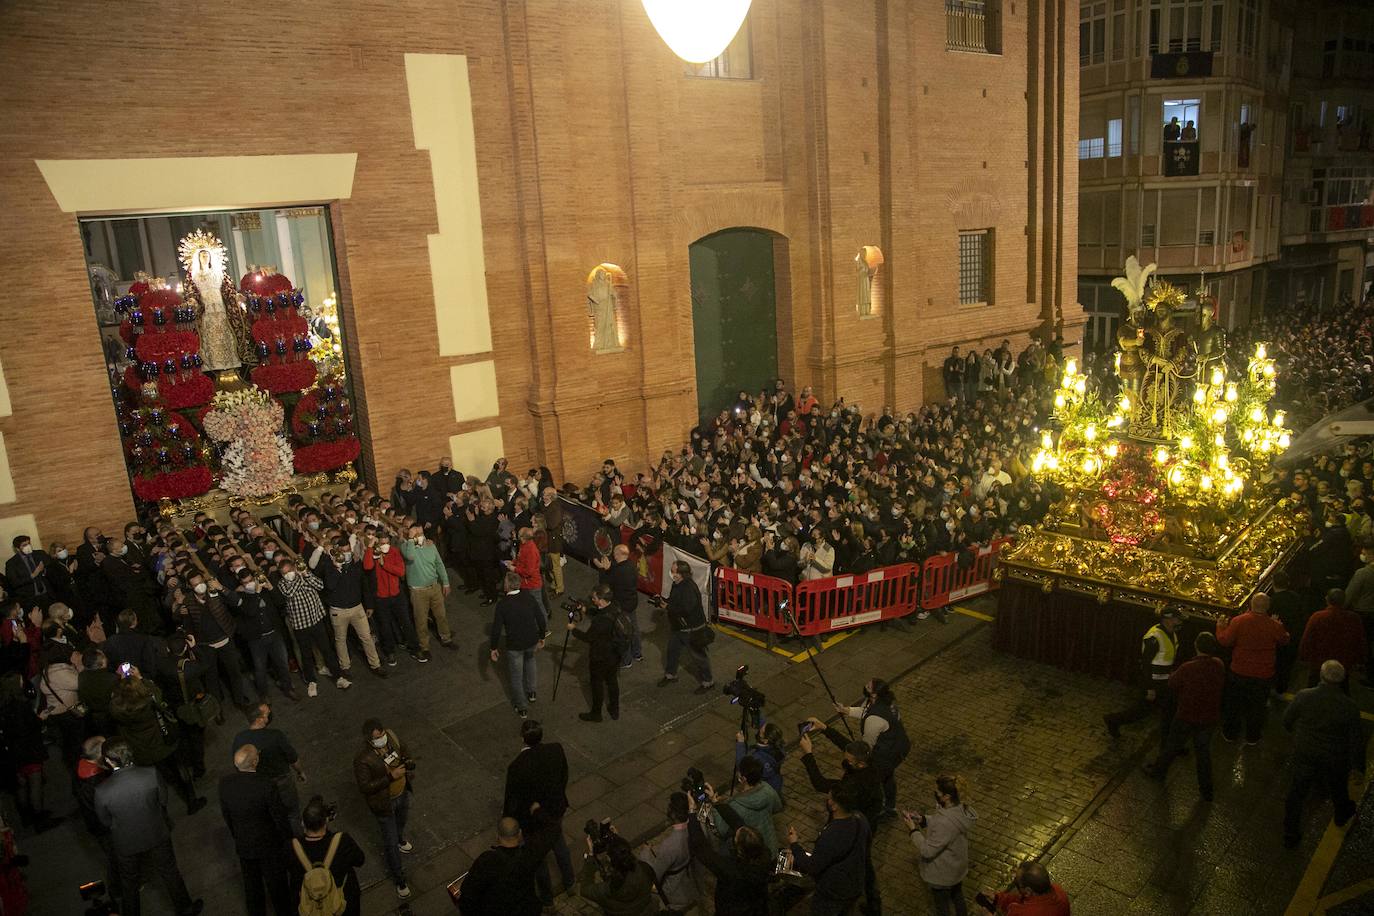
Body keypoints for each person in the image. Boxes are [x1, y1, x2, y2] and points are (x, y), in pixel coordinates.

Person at [93, 737, 205, 916]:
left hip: (126, 842)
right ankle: (186, 909)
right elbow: (162, 800)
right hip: (156, 832)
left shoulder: (102, 791)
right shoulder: (151, 774)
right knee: (169, 872)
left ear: (108, 760)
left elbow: (104, 821)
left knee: (129, 883)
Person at [1282, 660, 1366, 848]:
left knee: (1297, 793)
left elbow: (1287, 720)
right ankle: (1342, 814)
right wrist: (1358, 768)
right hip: (1334, 756)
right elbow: (1356, 740)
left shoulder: (1304, 696)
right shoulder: (1349, 706)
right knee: (1338, 788)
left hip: (1305, 752)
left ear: (1321, 676)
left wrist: (1294, 733)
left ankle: (1290, 833)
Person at [108, 668, 207, 815]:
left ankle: (162, 810)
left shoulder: (117, 710)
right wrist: (140, 678)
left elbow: (114, 701)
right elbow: (158, 695)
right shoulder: (149, 699)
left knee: (157, 777)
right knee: (179, 768)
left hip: (142, 748)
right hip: (164, 741)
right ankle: (192, 800)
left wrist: (123, 685)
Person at [1143, 632, 1226, 801]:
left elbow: (1172, 683)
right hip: (1209, 716)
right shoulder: (1218, 664)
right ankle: (1206, 789)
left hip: (1187, 714)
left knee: (1172, 745)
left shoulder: (1188, 667)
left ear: (1196, 646)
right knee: (1203, 753)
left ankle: (1158, 771)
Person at [503, 719, 575, 905]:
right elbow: (563, 776)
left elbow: (512, 798)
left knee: (538, 859)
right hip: (555, 809)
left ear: (522, 739)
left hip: (531, 820)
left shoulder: (517, 766)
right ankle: (570, 883)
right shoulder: (556, 749)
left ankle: (547, 898)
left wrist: (509, 821)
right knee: (559, 845)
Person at [219, 744, 295, 916]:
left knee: (252, 887)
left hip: (244, 844)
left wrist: (237, 836)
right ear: (255, 762)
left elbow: (227, 816)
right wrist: (288, 840)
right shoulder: (265, 785)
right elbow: (279, 817)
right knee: (277, 887)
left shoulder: (225, 784)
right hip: (268, 846)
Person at [785, 783, 871, 916]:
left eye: (830, 798)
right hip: (855, 882)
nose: (827, 800)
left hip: (834, 890)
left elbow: (812, 866)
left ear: (835, 806)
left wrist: (795, 845)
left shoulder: (832, 834)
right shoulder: (861, 819)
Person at [354, 718, 416, 898]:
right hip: (384, 803)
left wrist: (409, 761)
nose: (381, 739)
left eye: (381, 735)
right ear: (368, 740)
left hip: (402, 793)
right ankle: (399, 878)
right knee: (389, 843)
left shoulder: (392, 737)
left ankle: (400, 838)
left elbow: (404, 749)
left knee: (402, 821)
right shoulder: (362, 759)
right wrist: (390, 777)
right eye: (377, 738)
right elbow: (365, 787)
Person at [1217, 592, 1290, 744]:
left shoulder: (1239, 621)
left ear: (1250, 604)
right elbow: (1284, 640)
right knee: (1257, 707)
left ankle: (1230, 734)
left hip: (1239, 671)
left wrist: (1220, 628)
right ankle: (1252, 736)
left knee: (1234, 705)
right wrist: (1279, 625)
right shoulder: (1273, 625)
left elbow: (1225, 640)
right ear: (1268, 607)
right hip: (1263, 674)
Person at [686, 788, 771, 916]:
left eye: (735, 839)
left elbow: (702, 850)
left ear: (740, 849)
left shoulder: (731, 869)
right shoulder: (763, 853)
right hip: (756, 905)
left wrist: (692, 813)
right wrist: (717, 803)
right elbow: (738, 824)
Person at [312, 536, 387, 680]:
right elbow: (330, 585)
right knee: (340, 640)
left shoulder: (355, 563)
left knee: (366, 637)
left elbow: (363, 585)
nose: (346, 554)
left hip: (357, 607)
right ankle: (344, 667)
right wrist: (336, 567)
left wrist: (369, 604)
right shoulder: (328, 565)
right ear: (336, 551)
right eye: (343, 551)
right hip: (338, 611)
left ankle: (375, 664)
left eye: (348, 551)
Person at [1103, 609, 1181, 748]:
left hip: (1165, 681)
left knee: (1170, 711)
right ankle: (1113, 720)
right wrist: (1149, 688)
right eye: (1176, 618)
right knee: (1141, 712)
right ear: (1168, 620)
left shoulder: (1171, 633)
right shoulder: (1154, 637)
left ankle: (1169, 744)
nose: (1179, 621)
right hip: (1154, 682)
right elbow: (1145, 664)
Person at [276, 557, 352, 697]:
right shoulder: (282, 584)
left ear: (294, 568)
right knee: (306, 654)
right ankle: (311, 681)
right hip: (300, 624)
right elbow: (290, 593)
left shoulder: (306, 575)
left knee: (326, 650)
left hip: (316, 619)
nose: (288, 574)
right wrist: (300, 577)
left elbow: (320, 585)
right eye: (284, 573)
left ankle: (338, 677)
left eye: (289, 571)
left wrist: (306, 574)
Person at [834, 678, 910, 816]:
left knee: (875, 778)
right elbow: (865, 711)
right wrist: (846, 710)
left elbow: (866, 747)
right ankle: (890, 806)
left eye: (868, 686)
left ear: (874, 694)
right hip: (897, 745)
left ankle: (880, 809)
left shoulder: (874, 720)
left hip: (888, 753)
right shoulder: (883, 702)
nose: (865, 685)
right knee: (887, 776)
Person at [904, 774, 976, 916]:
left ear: (946, 796)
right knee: (957, 895)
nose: (935, 794)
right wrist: (923, 819)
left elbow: (927, 850)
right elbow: (942, 823)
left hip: (943, 873)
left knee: (942, 906)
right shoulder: (958, 809)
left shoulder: (946, 821)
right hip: (956, 867)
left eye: (937, 792)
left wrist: (913, 830)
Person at [460, 815, 560, 916]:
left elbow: (468, 895)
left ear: (497, 836)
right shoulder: (529, 855)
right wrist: (538, 811)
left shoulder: (487, 860)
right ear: (520, 833)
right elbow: (554, 829)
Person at [288, 795, 366, 916]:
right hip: (342, 904)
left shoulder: (293, 847)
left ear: (303, 823)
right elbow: (360, 860)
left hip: (310, 908)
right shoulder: (342, 841)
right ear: (326, 821)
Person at [231, 568, 299, 702]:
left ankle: (288, 688)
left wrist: (271, 587)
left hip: (274, 634)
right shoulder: (241, 597)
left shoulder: (265, 591)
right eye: (246, 583)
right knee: (260, 669)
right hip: (257, 639)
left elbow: (280, 602)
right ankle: (264, 695)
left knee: (282, 664)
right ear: (241, 584)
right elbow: (250, 612)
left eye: (251, 580)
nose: (249, 584)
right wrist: (255, 593)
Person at [797, 724, 885, 827]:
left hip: (856, 819)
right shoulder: (868, 760)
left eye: (849, 761)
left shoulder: (853, 785)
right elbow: (846, 745)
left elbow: (820, 783)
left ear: (860, 764)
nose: (846, 762)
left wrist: (808, 753)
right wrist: (824, 728)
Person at [233, 701, 307, 820]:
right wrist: (300, 772)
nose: (269, 715)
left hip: (258, 786)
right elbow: (293, 759)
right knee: (292, 813)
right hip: (281, 783)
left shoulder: (239, 739)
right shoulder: (275, 736)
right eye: (267, 714)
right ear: (259, 719)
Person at [490, 571, 547, 719]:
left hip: (515, 645)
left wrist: (493, 647)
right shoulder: (529, 597)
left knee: (516, 677)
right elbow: (541, 618)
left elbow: (496, 628)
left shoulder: (503, 605)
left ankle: (522, 707)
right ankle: (532, 692)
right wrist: (541, 637)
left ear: (507, 586)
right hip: (531, 640)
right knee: (530, 662)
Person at [361, 529, 421, 665]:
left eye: (387, 542)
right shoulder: (373, 553)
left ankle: (415, 648)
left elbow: (400, 571)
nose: (385, 545)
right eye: (382, 543)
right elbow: (367, 566)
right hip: (381, 598)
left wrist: (384, 564)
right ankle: (390, 652)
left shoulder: (394, 552)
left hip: (397, 595)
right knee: (385, 626)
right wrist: (370, 548)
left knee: (406, 623)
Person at [399, 525, 457, 657]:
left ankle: (446, 638)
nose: (420, 536)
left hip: (434, 587)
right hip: (418, 591)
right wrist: (410, 540)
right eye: (416, 533)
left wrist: (446, 582)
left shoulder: (431, 545)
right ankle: (424, 646)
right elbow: (410, 557)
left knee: (441, 615)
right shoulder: (406, 546)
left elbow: (439, 564)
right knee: (421, 620)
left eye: (421, 533)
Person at [657, 560, 714, 692]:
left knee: (698, 656)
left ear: (680, 574)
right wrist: (664, 601)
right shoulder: (677, 584)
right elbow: (675, 601)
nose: (671, 573)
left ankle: (708, 681)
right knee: (672, 651)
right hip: (679, 627)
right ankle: (670, 674)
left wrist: (668, 607)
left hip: (691, 629)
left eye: (673, 571)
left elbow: (687, 608)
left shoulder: (688, 587)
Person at [74, 737, 120, 900]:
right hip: (104, 827)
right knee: (116, 858)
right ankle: (118, 891)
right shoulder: (95, 780)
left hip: (97, 824)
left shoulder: (83, 767)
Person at [568, 585, 622, 722]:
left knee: (597, 683)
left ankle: (596, 713)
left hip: (600, 656)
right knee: (612, 681)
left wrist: (573, 629)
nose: (592, 600)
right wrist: (585, 610)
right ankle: (614, 709)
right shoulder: (614, 607)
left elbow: (588, 637)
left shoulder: (600, 621)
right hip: (614, 654)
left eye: (594, 598)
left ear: (602, 599)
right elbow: (599, 612)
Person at [641, 792, 702, 913]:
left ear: (673, 814)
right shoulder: (693, 828)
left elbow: (655, 874)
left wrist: (646, 853)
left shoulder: (669, 845)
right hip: (689, 881)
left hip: (675, 893)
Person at [1298, 588, 1367, 690]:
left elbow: (1307, 639)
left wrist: (1303, 656)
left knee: (1313, 690)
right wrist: (1359, 660)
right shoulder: (1354, 618)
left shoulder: (1317, 617)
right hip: (1343, 663)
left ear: (1327, 599)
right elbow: (1360, 641)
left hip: (1319, 662)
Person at [577, 833, 659, 915]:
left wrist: (590, 856)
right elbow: (630, 860)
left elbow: (585, 889)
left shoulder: (608, 890)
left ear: (609, 859)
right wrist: (617, 840)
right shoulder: (644, 870)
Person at [594, 544, 641, 668]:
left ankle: (626, 660)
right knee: (634, 629)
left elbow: (604, 585)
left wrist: (603, 569)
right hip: (632, 603)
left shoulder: (617, 571)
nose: (613, 555)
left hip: (621, 606)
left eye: (614, 553)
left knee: (622, 633)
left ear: (619, 554)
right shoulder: (631, 566)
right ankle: (637, 653)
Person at [981, 861, 1070, 915]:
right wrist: (998, 898)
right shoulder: (1058, 891)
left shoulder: (1021, 913)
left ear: (1028, 890)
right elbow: (1022, 899)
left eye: (1017, 881)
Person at [735, 722, 786, 800]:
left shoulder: (758, 757)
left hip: (763, 790)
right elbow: (763, 723)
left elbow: (742, 764)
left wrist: (740, 743)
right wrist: (756, 711)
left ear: (765, 740)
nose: (759, 730)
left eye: (761, 732)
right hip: (776, 783)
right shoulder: (779, 747)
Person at [5, 534, 54, 610]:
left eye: (29, 543)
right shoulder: (11, 563)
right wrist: (33, 575)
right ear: (17, 549)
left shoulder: (40, 554)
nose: (28, 546)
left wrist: (44, 570)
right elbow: (14, 582)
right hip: (30, 600)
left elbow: (51, 567)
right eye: (24, 545)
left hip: (48, 595)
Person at [539, 488, 567, 596]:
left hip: (553, 541)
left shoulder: (555, 508)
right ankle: (554, 584)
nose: (543, 496)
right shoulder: (543, 504)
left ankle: (559, 588)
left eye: (545, 494)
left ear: (551, 496)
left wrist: (541, 521)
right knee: (550, 565)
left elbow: (552, 524)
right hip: (546, 539)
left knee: (555, 566)